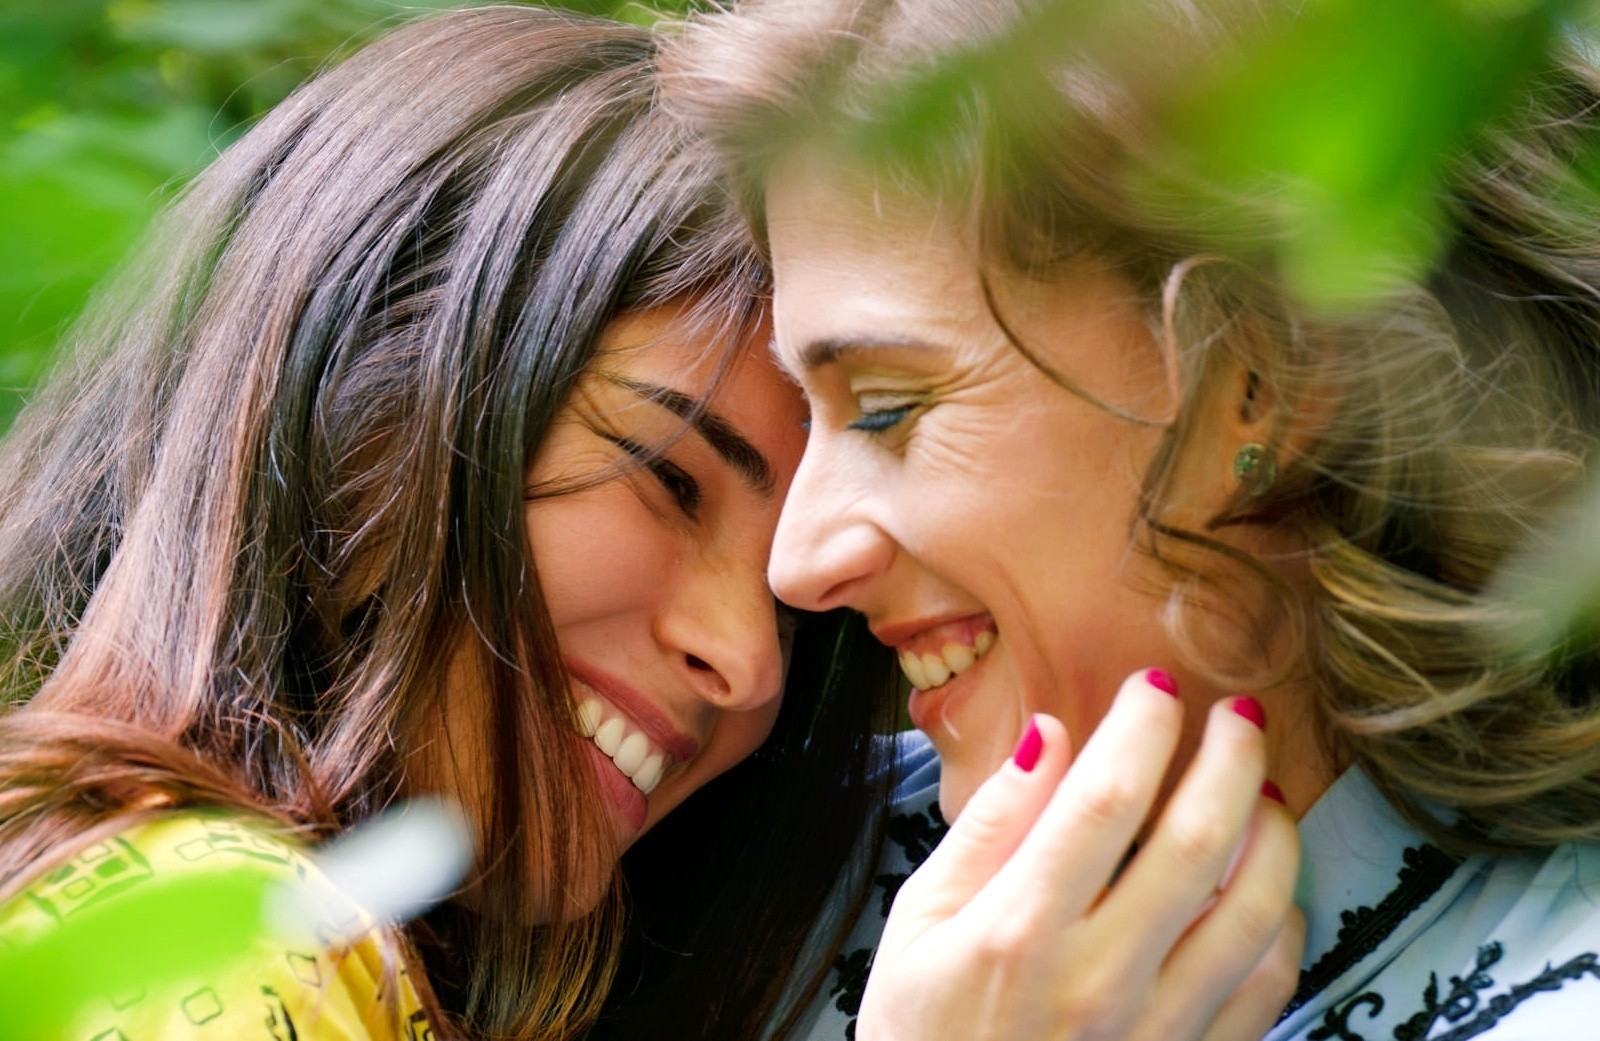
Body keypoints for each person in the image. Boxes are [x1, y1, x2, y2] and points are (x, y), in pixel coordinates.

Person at [667, 0, 1600, 1038]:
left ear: (1263, 375)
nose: (796, 566)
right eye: (808, 416)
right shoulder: (725, 892)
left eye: (886, 407)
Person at [0, 8, 905, 1039]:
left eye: (796, 608)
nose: (748, 663)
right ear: (362, 399)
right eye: (669, 481)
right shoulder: (232, 943)